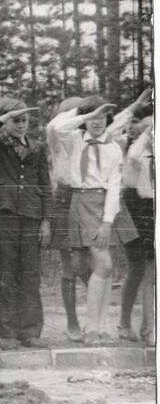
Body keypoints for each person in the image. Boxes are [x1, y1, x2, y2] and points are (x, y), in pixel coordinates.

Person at [47, 96, 135, 343]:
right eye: (93, 118)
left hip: (103, 204)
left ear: (108, 119)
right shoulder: (73, 139)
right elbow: (55, 127)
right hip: (81, 202)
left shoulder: (113, 146)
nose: (97, 122)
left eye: (102, 117)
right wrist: (85, 112)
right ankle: (92, 328)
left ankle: (100, 326)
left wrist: (108, 223)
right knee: (103, 265)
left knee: (103, 267)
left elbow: (114, 186)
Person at [0, 97, 51, 351]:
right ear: (6, 122)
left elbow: (44, 185)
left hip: (30, 214)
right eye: (15, 120)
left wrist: (46, 221)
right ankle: (8, 332)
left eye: (24, 120)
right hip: (2, 214)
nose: (20, 125)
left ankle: (30, 331)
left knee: (30, 274)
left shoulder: (38, 147)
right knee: (5, 274)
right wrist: (4, 117)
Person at [105, 89, 153, 342]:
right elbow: (111, 132)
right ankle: (124, 322)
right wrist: (133, 109)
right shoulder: (121, 142)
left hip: (151, 205)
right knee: (136, 267)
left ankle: (149, 326)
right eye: (134, 122)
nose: (136, 127)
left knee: (151, 270)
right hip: (130, 205)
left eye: (143, 123)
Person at [47, 96, 92, 342]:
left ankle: (96, 320)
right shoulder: (57, 138)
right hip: (65, 198)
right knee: (70, 264)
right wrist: (77, 110)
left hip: (88, 198)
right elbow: (56, 126)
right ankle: (72, 322)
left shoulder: (88, 139)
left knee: (88, 263)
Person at [122, 118, 155, 346]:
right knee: (142, 271)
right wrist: (149, 132)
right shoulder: (138, 154)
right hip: (140, 210)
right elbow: (134, 155)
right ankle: (144, 329)